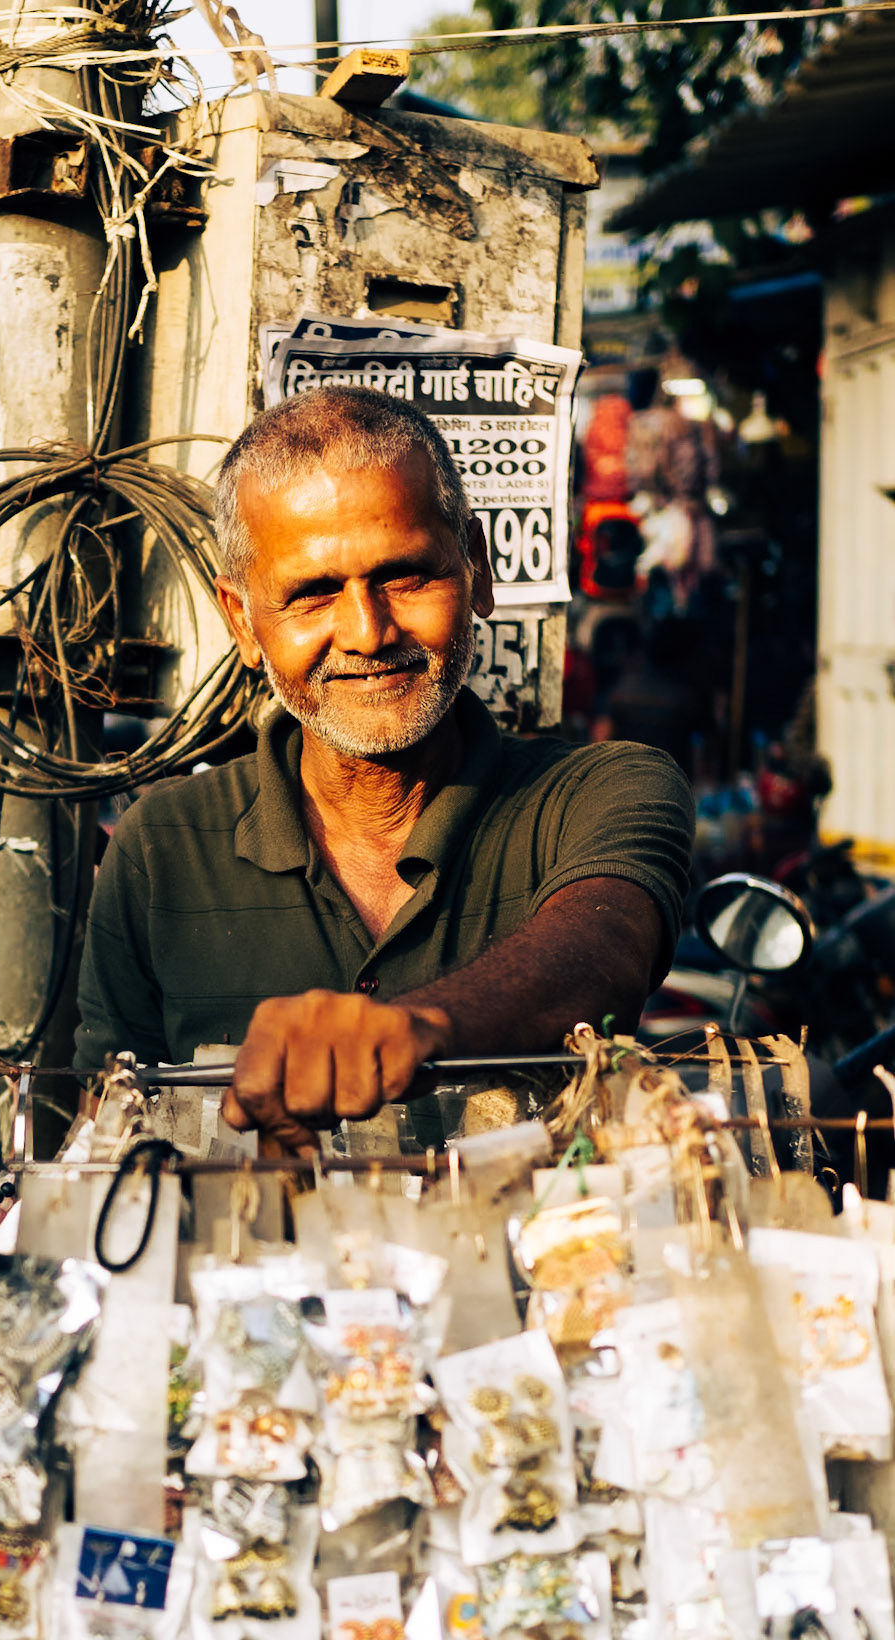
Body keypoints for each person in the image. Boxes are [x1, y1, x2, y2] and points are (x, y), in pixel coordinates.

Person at [74, 389, 695, 1152]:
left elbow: (601, 949)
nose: (366, 632)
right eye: (312, 594)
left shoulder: (604, 790)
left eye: (403, 577)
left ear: (477, 568)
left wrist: (413, 1029)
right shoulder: (159, 847)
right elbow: (105, 1130)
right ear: (241, 621)